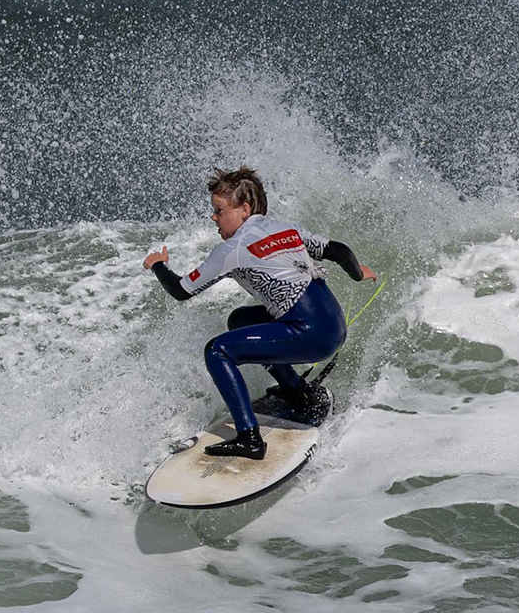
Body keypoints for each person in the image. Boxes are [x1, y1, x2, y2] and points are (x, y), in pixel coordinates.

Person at [144, 166, 377, 460]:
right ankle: (297, 391)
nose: (214, 218)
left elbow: (181, 290)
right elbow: (340, 251)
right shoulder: (286, 229)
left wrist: (158, 265)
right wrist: (357, 274)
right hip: (333, 324)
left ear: (244, 210)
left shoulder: (232, 249)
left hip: (310, 334)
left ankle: (249, 439)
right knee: (240, 321)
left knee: (217, 351)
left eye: (219, 210)